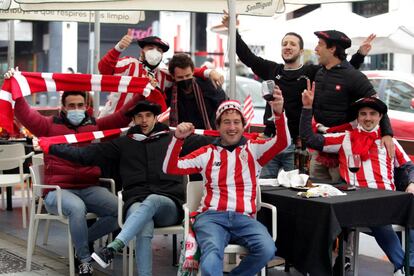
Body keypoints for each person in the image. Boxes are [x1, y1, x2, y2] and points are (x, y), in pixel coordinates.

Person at [41, 100, 212, 276]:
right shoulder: (123, 144)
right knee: (144, 222)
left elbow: (209, 142)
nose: (144, 120)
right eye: (139, 116)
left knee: (152, 200)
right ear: (134, 120)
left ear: (155, 118)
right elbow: (85, 155)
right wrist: (52, 148)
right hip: (136, 204)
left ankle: (115, 246)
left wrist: (232, 136)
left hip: (168, 206)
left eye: (148, 116)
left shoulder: (173, 138)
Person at [4, 68, 148, 276]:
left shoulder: (95, 126)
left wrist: (141, 91)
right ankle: (84, 259)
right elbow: (24, 112)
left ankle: (81, 239)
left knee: (121, 210)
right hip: (57, 191)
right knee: (77, 209)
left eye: (80, 105)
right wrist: (14, 83)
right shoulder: (47, 126)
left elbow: (122, 117)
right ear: (63, 107)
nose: (76, 109)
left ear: (87, 106)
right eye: (71, 105)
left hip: (89, 187)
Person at [221, 12, 375, 178]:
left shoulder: (313, 72)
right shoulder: (272, 70)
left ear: (301, 51)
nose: (288, 46)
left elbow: (341, 71)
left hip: (299, 146)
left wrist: (359, 55)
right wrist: (233, 30)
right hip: (270, 142)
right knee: (264, 188)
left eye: (293, 44)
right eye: (284, 43)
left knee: (298, 189)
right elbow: (247, 56)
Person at [163, 89, 291, 275]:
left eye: (236, 122)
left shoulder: (254, 149)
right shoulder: (207, 152)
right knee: (211, 254)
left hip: (244, 218)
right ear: (218, 126)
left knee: (267, 249)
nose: (232, 127)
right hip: (211, 217)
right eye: (226, 122)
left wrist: (279, 114)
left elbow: (283, 142)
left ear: (243, 125)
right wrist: (177, 140)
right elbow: (170, 168)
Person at [300, 86, 414, 276]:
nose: (367, 118)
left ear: (380, 117)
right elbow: (310, 139)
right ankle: (404, 268)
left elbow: (409, 166)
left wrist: (411, 182)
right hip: (357, 202)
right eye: (363, 114)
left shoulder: (389, 141)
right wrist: (307, 109)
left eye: (372, 114)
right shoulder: (344, 138)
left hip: (389, 199)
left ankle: (407, 265)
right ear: (357, 117)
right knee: (375, 214)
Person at [311, 30, 394, 182]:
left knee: (340, 194)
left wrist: (387, 133)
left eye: (320, 44)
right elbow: (342, 70)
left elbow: (377, 105)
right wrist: (359, 55)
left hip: (343, 147)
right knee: (314, 190)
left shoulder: (354, 76)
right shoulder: (320, 73)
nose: (316, 49)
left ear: (332, 49)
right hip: (320, 144)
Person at [98, 30, 224, 117]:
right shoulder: (129, 64)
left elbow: (183, 72)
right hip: (113, 121)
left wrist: (208, 72)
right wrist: (118, 48)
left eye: (159, 50)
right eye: (150, 48)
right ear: (142, 51)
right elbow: (104, 69)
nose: (155, 52)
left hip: (141, 128)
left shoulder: (163, 75)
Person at [166, 53, 228, 129]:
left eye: (188, 75)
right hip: (184, 136)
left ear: (193, 72)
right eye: (180, 77)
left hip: (210, 134)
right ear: (173, 76)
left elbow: (224, 105)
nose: (185, 79)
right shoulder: (171, 93)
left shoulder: (207, 85)